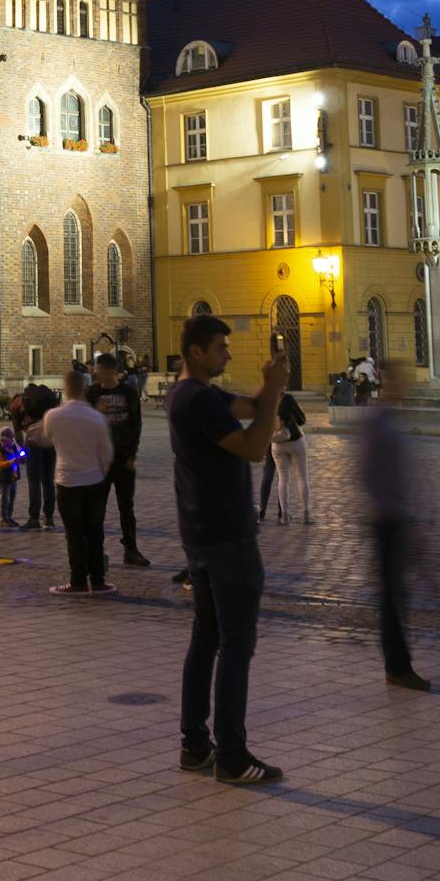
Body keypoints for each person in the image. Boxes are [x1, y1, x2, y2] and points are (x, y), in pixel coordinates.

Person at [166, 315, 286, 786]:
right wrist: (272, 393)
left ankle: (195, 746)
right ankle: (231, 757)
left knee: (207, 639)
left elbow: (253, 407)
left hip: (200, 534)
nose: (228, 354)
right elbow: (256, 447)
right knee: (235, 646)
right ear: (196, 352)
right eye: (220, 347)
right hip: (227, 537)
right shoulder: (197, 400)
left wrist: (270, 386)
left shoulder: (192, 395)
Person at [361, 367, 429, 691]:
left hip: (398, 517)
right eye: (397, 381)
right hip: (386, 520)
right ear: (385, 384)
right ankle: (398, 666)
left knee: (397, 594)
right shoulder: (378, 423)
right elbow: (366, 472)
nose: (403, 387)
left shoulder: (390, 421)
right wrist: (386, 506)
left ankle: (400, 663)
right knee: (391, 596)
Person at [37, 367, 116, 595]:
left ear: (65, 389)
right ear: (84, 388)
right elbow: (107, 453)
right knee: (95, 533)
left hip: (67, 480)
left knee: (74, 535)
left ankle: (78, 581)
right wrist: (100, 472)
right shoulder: (97, 418)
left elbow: (47, 440)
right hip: (93, 480)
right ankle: (99, 581)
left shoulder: (53, 416)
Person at [88, 352, 149, 567]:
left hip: (123, 458)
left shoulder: (128, 392)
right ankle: (97, 550)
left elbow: (136, 424)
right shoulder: (92, 393)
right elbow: (85, 422)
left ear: (110, 370)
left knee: (126, 506)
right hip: (99, 461)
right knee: (98, 508)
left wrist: (133, 454)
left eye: (98, 369)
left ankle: (130, 549)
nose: (95, 372)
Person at [261, 380, 309, 524]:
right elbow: (302, 419)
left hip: (276, 443)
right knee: (302, 478)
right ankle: (306, 513)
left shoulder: (265, 400)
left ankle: (284, 515)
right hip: (294, 440)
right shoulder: (287, 398)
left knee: (282, 479)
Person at [13, 382, 59, 529]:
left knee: (34, 480)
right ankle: (49, 518)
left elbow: (18, 435)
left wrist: (21, 452)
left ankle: (34, 518)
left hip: (33, 440)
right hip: (50, 440)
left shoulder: (17, 404)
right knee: (48, 480)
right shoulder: (46, 400)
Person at [0, 423, 23, 526]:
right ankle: (3, 518)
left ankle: (9, 516)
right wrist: (12, 461)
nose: (13, 440)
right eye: (11, 438)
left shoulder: (12, 448)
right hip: (3, 479)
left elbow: (17, 458)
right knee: (5, 498)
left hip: (12, 477)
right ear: (4, 439)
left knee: (12, 497)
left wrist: (21, 456)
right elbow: (0, 465)